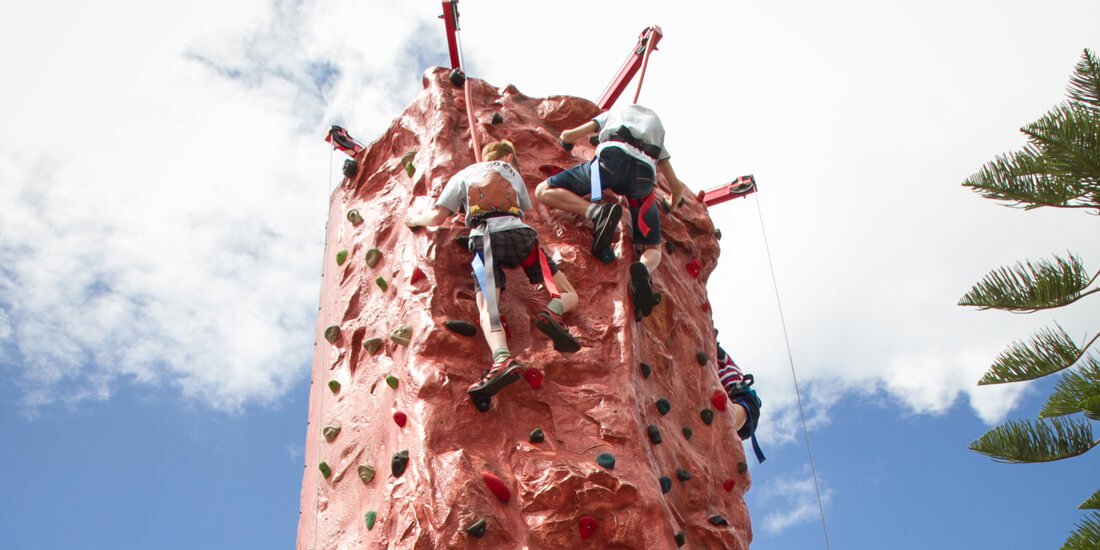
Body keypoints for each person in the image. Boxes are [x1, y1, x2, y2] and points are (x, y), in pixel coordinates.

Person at [405, 140, 581, 401]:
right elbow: (522, 212)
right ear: (509, 156)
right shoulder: (512, 173)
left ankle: (502, 359)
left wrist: (414, 220)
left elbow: (436, 218)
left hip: (485, 241)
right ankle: (553, 312)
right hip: (522, 238)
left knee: (489, 308)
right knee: (567, 294)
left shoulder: (462, 175)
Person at [534, 103, 690, 318]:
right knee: (653, 247)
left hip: (609, 164)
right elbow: (676, 188)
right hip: (643, 178)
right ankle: (643, 268)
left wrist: (565, 141)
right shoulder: (657, 136)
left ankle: (595, 212)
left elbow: (570, 135)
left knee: (543, 190)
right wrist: (670, 203)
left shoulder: (614, 115)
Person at [717, 343, 765, 463]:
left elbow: (718, 352)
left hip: (743, 399)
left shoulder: (724, 361)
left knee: (723, 424)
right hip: (733, 405)